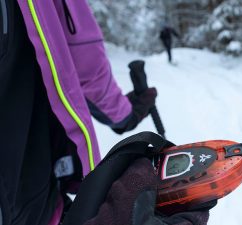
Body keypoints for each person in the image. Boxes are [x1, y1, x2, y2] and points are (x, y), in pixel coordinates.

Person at [0, 1, 210, 225]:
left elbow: (85, 61)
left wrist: (127, 113)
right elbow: (86, 58)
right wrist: (127, 115)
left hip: (39, 197)